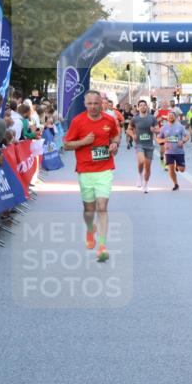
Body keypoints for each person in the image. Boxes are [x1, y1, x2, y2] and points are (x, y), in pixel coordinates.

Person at [62, 91, 122, 262]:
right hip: (85, 170)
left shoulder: (109, 120)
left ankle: (102, 246)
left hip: (104, 169)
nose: (94, 107)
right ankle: (90, 229)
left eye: (96, 103)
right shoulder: (78, 121)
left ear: (101, 103)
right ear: (85, 104)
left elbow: (116, 135)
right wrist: (83, 142)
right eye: (90, 104)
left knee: (102, 206)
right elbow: (66, 145)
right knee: (89, 210)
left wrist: (115, 144)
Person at [127, 99, 159, 193]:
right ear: (138, 107)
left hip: (149, 145)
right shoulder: (135, 119)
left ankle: (145, 184)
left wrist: (154, 130)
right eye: (140, 105)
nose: (143, 106)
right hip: (139, 144)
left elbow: (158, 130)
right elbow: (128, 130)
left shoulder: (152, 118)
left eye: (144, 105)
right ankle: (139, 175)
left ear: (147, 107)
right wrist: (133, 135)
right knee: (141, 161)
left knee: (148, 167)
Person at [158, 111, 188, 191]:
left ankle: (177, 166)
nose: (170, 117)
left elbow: (187, 136)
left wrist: (183, 141)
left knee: (182, 169)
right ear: (167, 117)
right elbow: (158, 139)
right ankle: (176, 184)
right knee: (170, 169)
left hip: (179, 151)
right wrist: (164, 139)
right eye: (169, 116)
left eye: (172, 116)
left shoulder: (180, 127)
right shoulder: (164, 128)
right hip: (168, 152)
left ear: (175, 117)